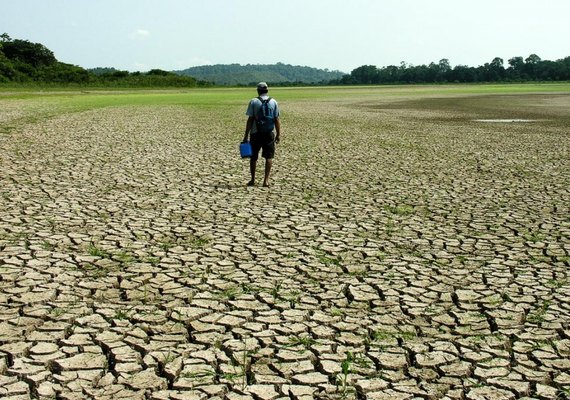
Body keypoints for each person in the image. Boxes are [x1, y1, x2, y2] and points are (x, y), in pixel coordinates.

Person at [243, 82, 281, 187]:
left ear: (258, 90)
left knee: (253, 157)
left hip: (255, 133)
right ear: (267, 90)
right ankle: (266, 180)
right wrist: (278, 134)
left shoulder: (254, 101)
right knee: (269, 157)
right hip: (269, 133)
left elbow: (250, 120)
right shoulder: (273, 102)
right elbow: (277, 119)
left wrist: (246, 135)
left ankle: (253, 180)